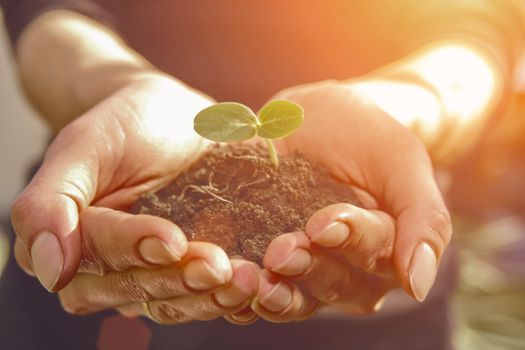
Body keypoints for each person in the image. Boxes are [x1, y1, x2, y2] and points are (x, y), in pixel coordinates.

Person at [0, 0, 524, 349]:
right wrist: (115, 91)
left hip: (376, 301)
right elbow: (49, 12)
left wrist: (403, 110)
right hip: (121, 207)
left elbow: (476, 27)